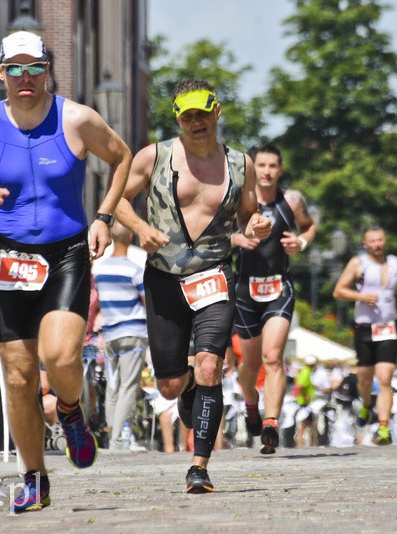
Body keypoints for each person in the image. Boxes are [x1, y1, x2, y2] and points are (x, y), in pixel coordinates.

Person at [0, 31, 132, 513]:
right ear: (1, 73)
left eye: (35, 68)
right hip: (11, 257)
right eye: (17, 68)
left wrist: (105, 217)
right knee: (17, 374)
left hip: (66, 252)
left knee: (62, 356)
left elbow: (121, 158)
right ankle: (34, 478)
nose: (26, 77)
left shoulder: (76, 118)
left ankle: (71, 412)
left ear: (48, 68)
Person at [114, 79, 271, 493]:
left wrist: (257, 224)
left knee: (209, 367)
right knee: (170, 383)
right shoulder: (156, 156)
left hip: (214, 276)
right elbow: (115, 198)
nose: (196, 122)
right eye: (187, 116)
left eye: (203, 113)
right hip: (164, 278)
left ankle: (199, 467)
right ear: (178, 118)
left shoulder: (241, 163)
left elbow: (249, 215)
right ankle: (185, 394)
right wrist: (140, 227)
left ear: (217, 111)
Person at [232, 143, 316, 455]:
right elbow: (214, 230)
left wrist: (301, 242)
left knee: (273, 357)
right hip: (245, 289)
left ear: (280, 170)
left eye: (272, 166)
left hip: (279, 287)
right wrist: (238, 238)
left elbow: (309, 226)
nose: (267, 171)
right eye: (261, 165)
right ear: (252, 168)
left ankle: (270, 422)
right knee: (250, 364)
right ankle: (251, 403)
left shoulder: (291, 201)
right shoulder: (238, 198)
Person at [333, 226, 397, 445]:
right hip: (365, 328)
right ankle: (367, 403)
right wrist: (360, 297)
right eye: (373, 241)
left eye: (380, 240)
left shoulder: (396, 263)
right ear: (365, 244)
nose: (377, 245)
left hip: (388, 327)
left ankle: (383, 428)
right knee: (364, 379)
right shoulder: (358, 264)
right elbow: (338, 290)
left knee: (386, 377)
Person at [94, 222, 149, 448]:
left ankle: (112, 434)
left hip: (110, 334)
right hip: (133, 332)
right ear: (130, 237)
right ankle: (119, 438)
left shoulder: (100, 270)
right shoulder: (135, 270)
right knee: (128, 385)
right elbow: (147, 304)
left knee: (113, 385)